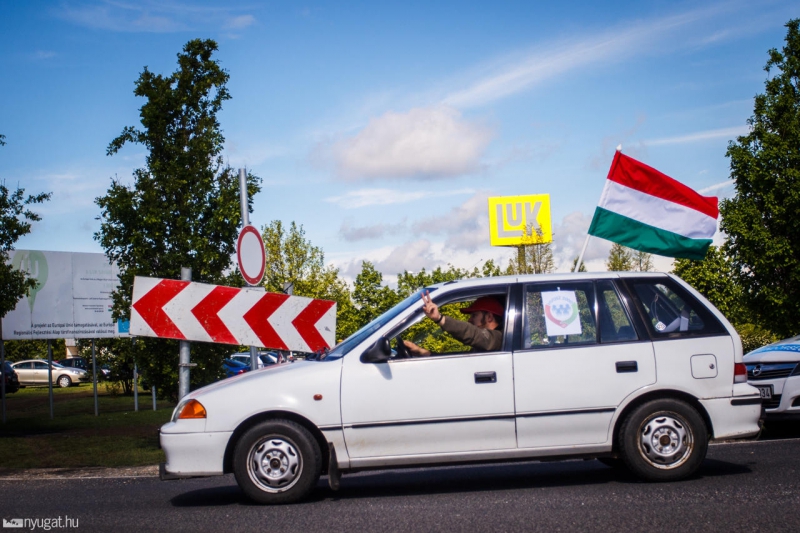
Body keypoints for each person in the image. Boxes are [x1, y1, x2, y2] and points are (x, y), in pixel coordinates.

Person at [403, 292, 504, 357]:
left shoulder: (500, 339)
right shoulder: (484, 345)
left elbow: (472, 333)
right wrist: (423, 352)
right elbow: (461, 359)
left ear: (489, 317)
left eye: (474, 315)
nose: (469, 320)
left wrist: (440, 318)